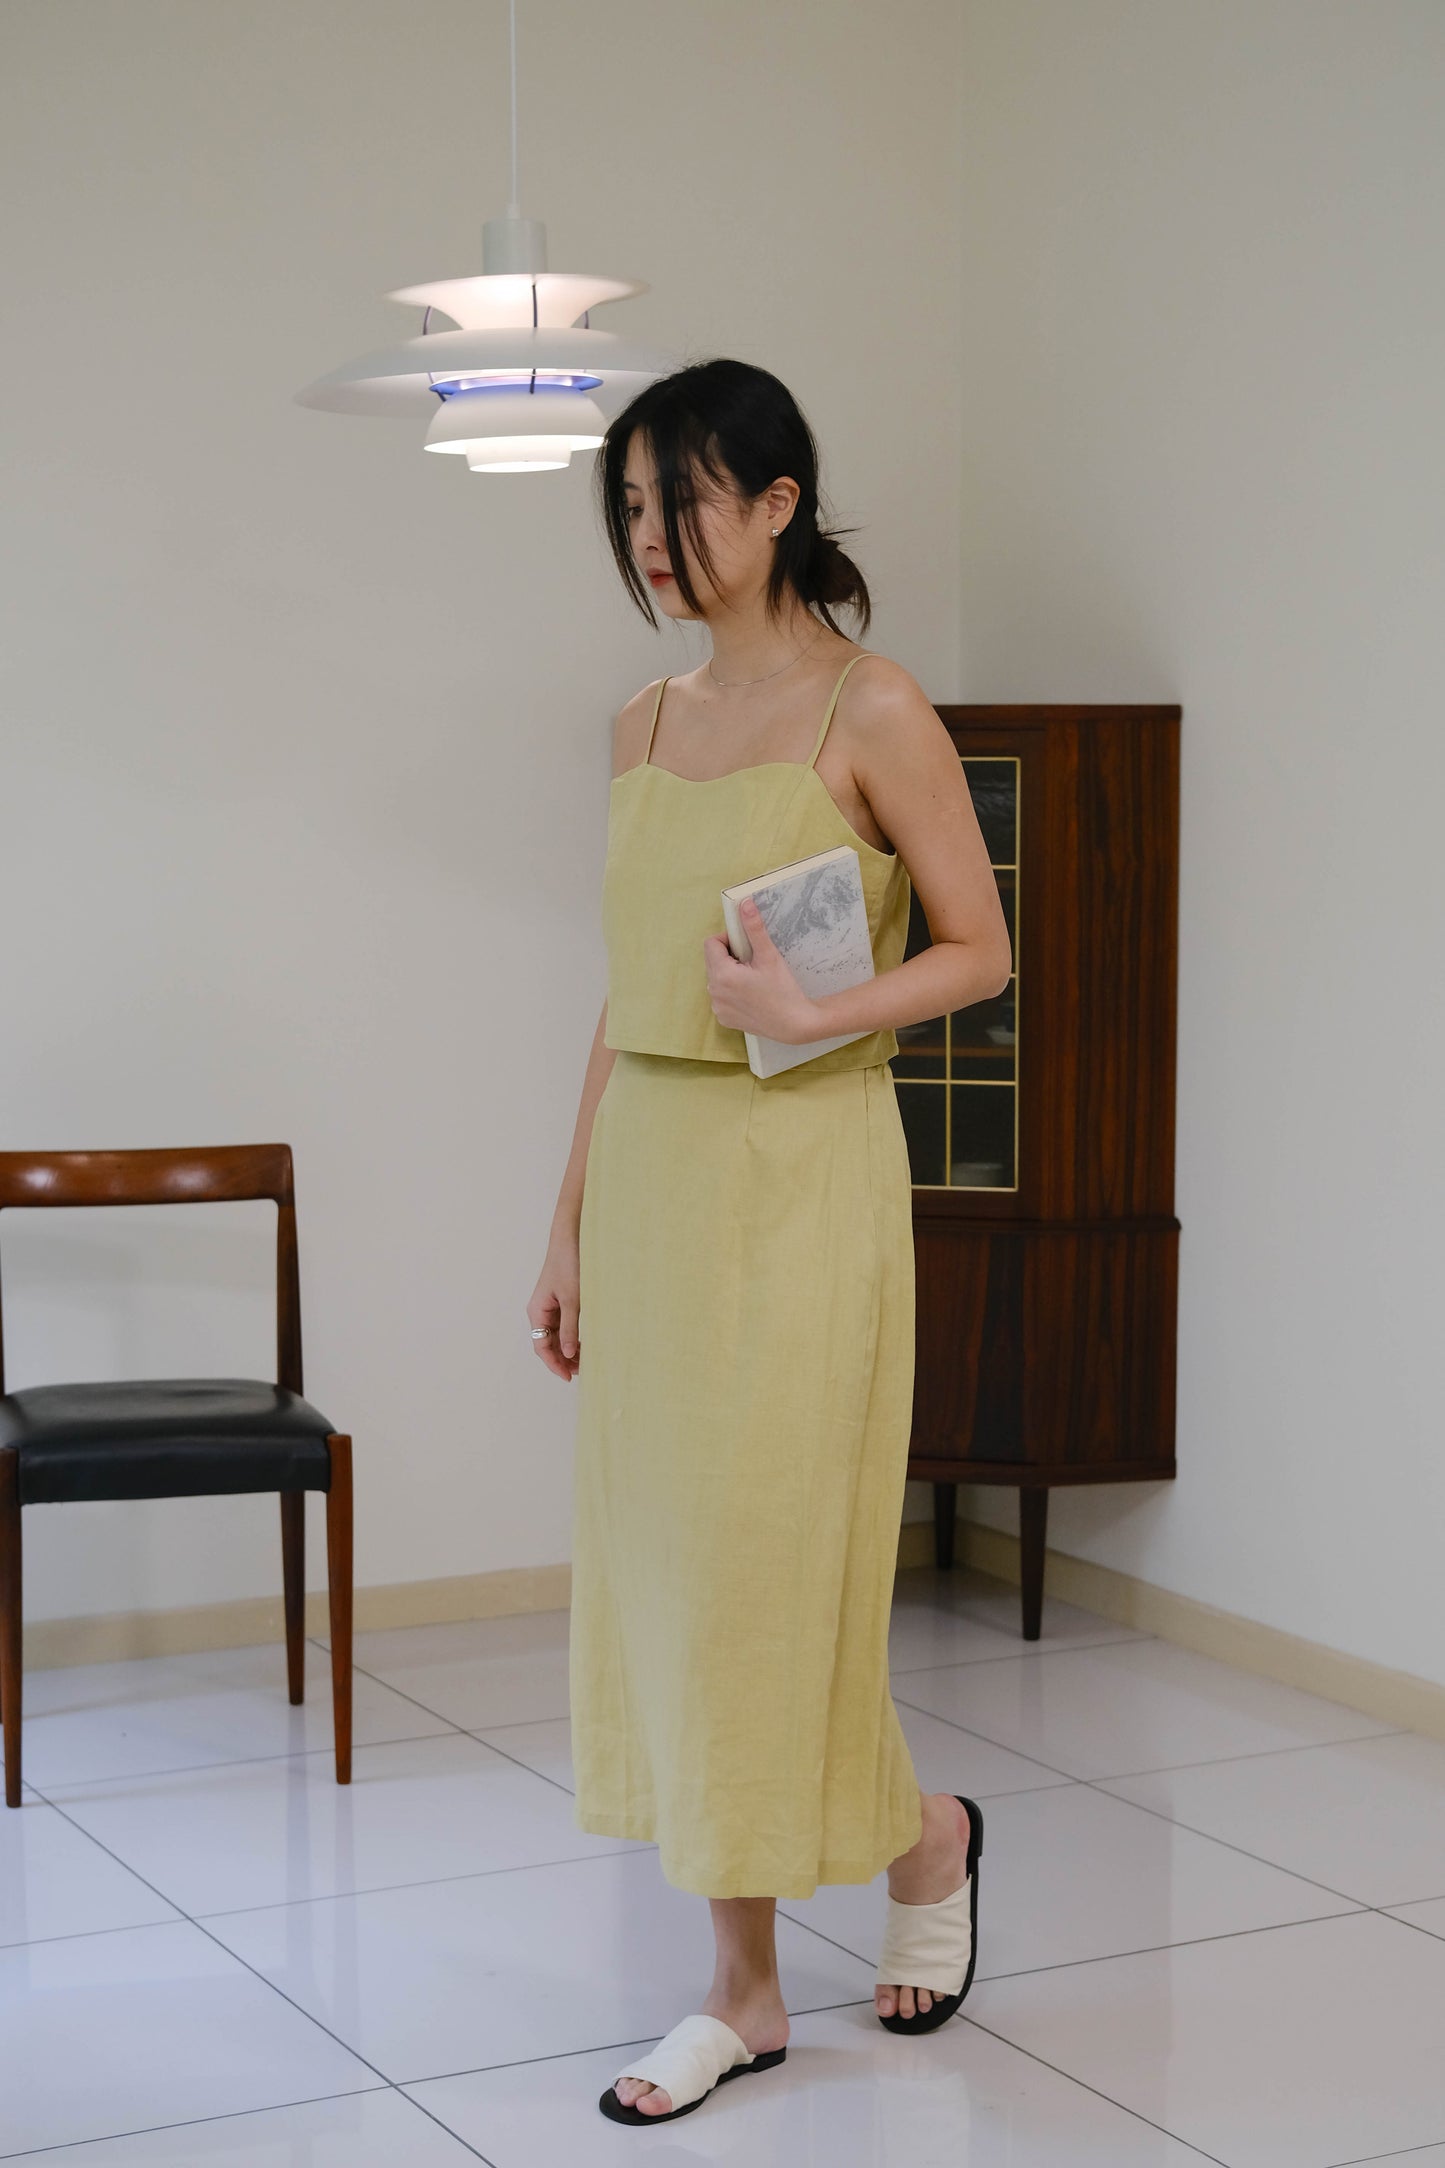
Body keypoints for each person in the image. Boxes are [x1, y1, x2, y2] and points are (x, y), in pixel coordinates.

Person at [527, 357, 1012, 2126]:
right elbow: (629, 995)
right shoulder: (639, 726)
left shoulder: (870, 709)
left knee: (768, 1577)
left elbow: (979, 949)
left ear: (780, 502)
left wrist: (814, 1011)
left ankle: (918, 1840)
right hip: (657, 1177)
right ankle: (747, 1985)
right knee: (673, 1583)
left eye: (682, 501)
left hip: (802, 1178)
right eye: (630, 508)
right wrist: (566, 1220)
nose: (653, 539)